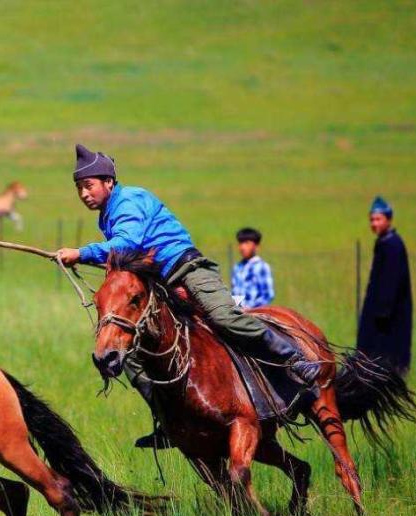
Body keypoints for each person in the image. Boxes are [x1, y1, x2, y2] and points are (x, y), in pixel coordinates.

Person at [55, 145, 322, 449]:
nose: (83, 194)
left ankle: (294, 359)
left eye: (88, 186)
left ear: (109, 182)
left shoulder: (128, 201)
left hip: (185, 267)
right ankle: (166, 421)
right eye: (79, 189)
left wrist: (81, 253)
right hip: (159, 282)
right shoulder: (105, 217)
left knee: (224, 317)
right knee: (131, 353)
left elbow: (127, 244)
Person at [357, 196, 412, 374]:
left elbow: (391, 283)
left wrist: (381, 313)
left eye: (378, 219)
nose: (374, 223)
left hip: (389, 314)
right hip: (379, 310)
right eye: (372, 219)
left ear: (388, 220)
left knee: (386, 354)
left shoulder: (393, 245)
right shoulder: (383, 242)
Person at [231, 227, 275, 309]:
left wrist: (250, 308)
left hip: (255, 312)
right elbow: (235, 292)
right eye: (240, 243)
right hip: (238, 312)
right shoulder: (237, 267)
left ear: (257, 246)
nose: (242, 247)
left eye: (247, 243)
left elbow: (267, 295)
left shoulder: (262, 267)